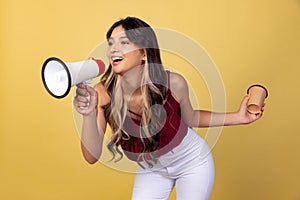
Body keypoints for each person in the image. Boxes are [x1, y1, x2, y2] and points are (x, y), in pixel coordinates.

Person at [73, 16, 264, 200]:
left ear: (144, 53)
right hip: (152, 170)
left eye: (124, 42)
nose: (113, 49)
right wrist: (89, 114)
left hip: (192, 163)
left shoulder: (173, 83)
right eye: (111, 43)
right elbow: (91, 157)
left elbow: (191, 119)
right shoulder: (103, 93)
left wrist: (238, 117)